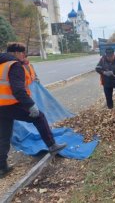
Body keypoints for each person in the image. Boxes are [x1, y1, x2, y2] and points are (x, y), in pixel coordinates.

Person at [0, 42, 66, 178]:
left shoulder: (2, 64)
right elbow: (18, 89)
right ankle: (52, 145)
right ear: (16, 53)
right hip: (9, 104)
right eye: (23, 52)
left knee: (4, 136)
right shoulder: (14, 65)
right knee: (39, 117)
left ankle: (2, 167)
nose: (25, 55)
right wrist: (30, 105)